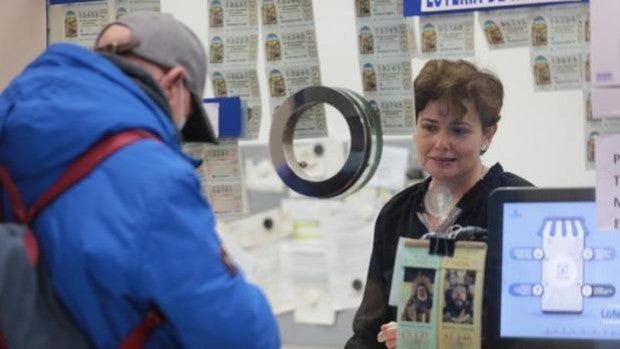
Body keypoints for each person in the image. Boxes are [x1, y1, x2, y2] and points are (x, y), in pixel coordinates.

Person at [0, 12, 279, 348]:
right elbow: (238, 335)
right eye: (187, 116)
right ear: (173, 84)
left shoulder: (12, 122)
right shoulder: (152, 177)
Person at [345, 59, 533, 349]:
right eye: (430, 127)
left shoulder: (518, 206)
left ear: (487, 134)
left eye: (459, 130)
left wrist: (439, 338)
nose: (441, 143)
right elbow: (368, 333)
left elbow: (535, 331)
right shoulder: (397, 213)